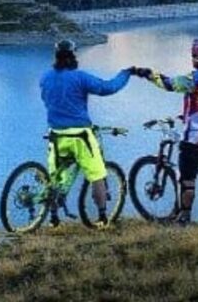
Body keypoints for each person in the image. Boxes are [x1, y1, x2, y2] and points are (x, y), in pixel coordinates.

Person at [40, 38, 134, 228]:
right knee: (97, 174)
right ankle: (101, 217)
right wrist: (126, 73)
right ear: (74, 56)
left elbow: (47, 100)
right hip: (80, 135)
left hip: (56, 134)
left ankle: (53, 218)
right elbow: (107, 88)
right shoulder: (80, 77)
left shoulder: (45, 77)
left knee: (56, 177)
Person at [135, 38, 198, 225]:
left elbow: (169, 84)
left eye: (194, 55)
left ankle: (184, 218)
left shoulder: (195, 78)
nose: (192, 58)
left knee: (187, 177)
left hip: (196, 134)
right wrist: (181, 117)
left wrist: (149, 74)